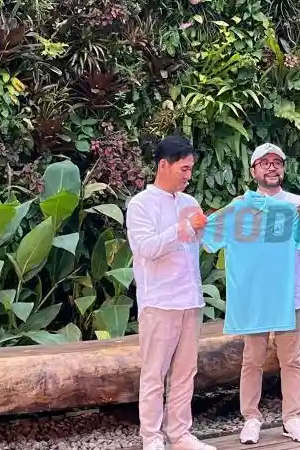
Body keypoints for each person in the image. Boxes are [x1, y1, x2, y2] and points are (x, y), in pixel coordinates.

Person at [125, 135, 216, 450]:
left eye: (191, 169)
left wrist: (210, 227)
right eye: (184, 169)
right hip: (159, 302)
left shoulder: (189, 203)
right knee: (154, 374)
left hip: (190, 299)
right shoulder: (140, 204)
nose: (189, 175)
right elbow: (146, 248)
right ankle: (151, 436)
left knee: (185, 372)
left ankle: (180, 434)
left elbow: (202, 244)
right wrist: (184, 229)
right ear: (163, 165)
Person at [236, 143, 300, 444]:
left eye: (277, 162)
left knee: (292, 360)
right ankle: (251, 418)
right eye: (265, 162)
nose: (272, 167)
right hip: (256, 297)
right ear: (253, 171)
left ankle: (292, 418)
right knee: (252, 360)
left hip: (290, 295)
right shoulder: (242, 207)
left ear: (283, 169)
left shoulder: (299, 204)